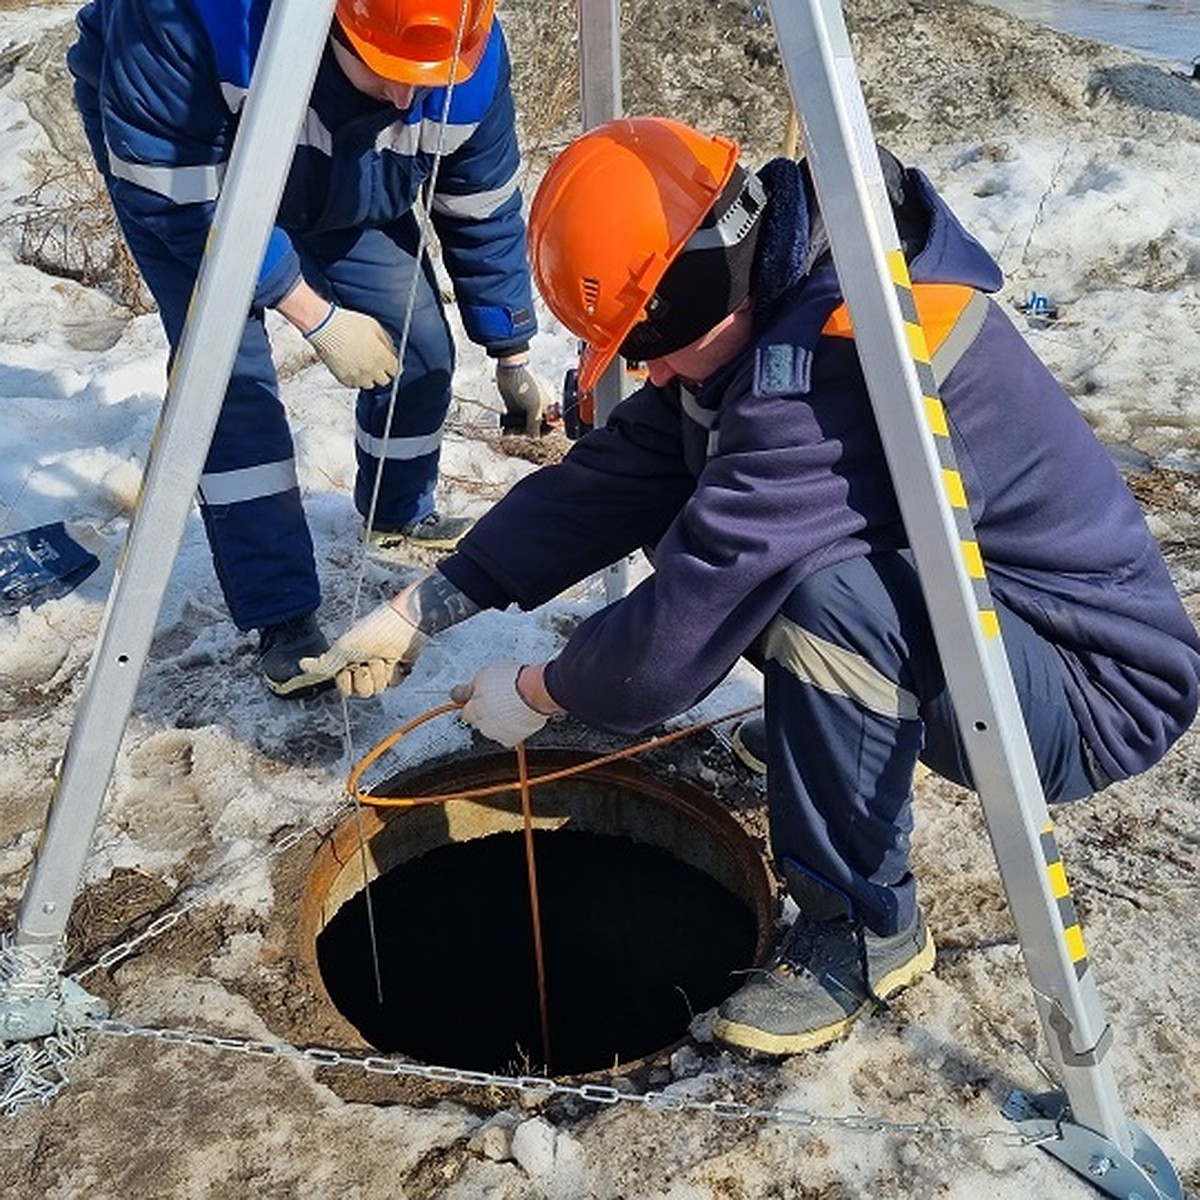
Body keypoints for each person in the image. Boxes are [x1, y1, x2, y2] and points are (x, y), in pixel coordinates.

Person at [302, 116, 1200, 1057]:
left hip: (1089, 688)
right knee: (715, 512)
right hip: (990, 629)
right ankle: (839, 728)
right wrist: (427, 605)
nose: (645, 369)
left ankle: (864, 933)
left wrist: (541, 692)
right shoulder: (778, 298)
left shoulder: (826, 368)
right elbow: (612, 479)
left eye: (647, 339)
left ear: (697, 287)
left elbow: (678, 635)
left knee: (819, 597)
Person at [67, 0, 554, 699]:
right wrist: (315, 314)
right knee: (231, 391)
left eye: (424, 78)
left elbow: (480, 207)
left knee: (413, 341)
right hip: (191, 183)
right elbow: (176, 201)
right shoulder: (189, 23)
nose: (406, 96)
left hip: (347, 172)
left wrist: (511, 349)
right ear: (334, 24)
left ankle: (397, 511)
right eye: (385, 72)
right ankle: (282, 614)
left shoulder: (462, 48)